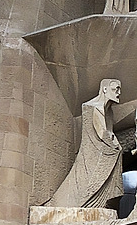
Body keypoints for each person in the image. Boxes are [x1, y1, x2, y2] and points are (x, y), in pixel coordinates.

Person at [46, 79, 123, 208]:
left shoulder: (109, 111)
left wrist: (116, 145)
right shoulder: (94, 107)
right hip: (92, 153)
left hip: (101, 150)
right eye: (116, 89)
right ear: (105, 89)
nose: (119, 93)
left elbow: (109, 133)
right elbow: (102, 133)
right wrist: (114, 145)